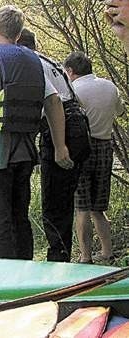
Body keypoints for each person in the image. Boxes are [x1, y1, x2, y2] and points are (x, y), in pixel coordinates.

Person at [0, 5, 73, 260]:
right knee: (19, 219)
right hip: (25, 154)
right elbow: (54, 101)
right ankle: (25, 272)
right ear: (19, 32)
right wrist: (60, 146)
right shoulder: (35, 61)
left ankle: (3, 280)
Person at [17, 28, 84, 262]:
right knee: (63, 201)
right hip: (78, 125)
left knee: (53, 205)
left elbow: (54, 101)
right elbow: (74, 99)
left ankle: (59, 260)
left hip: (61, 129)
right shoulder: (52, 62)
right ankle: (62, 256)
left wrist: (59, 145)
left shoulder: (31, 63)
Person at [64, 52, 126, 264]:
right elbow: (121, 113)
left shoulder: (73, 89)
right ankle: (107, 252)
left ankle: (85, 256)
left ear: (70, 71)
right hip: (105, 147)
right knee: (98, 207)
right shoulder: (110, 87)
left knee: (81, 206)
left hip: (82, 149)